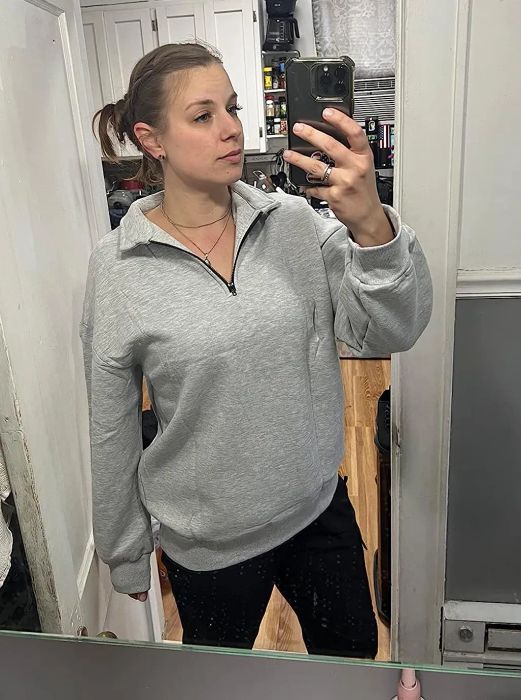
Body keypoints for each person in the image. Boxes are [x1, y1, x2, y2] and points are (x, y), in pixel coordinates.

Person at [79, 43, 433, 659]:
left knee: (352, 664)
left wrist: (372, 226)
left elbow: (391, 332)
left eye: (234, 108)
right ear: (151, 139)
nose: (232, 129)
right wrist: (126, 551)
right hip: (208, 544)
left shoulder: (296, 223)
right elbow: (111, 427)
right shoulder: (118, 269)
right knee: (221, 683)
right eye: (203, 115)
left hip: (316, 512)